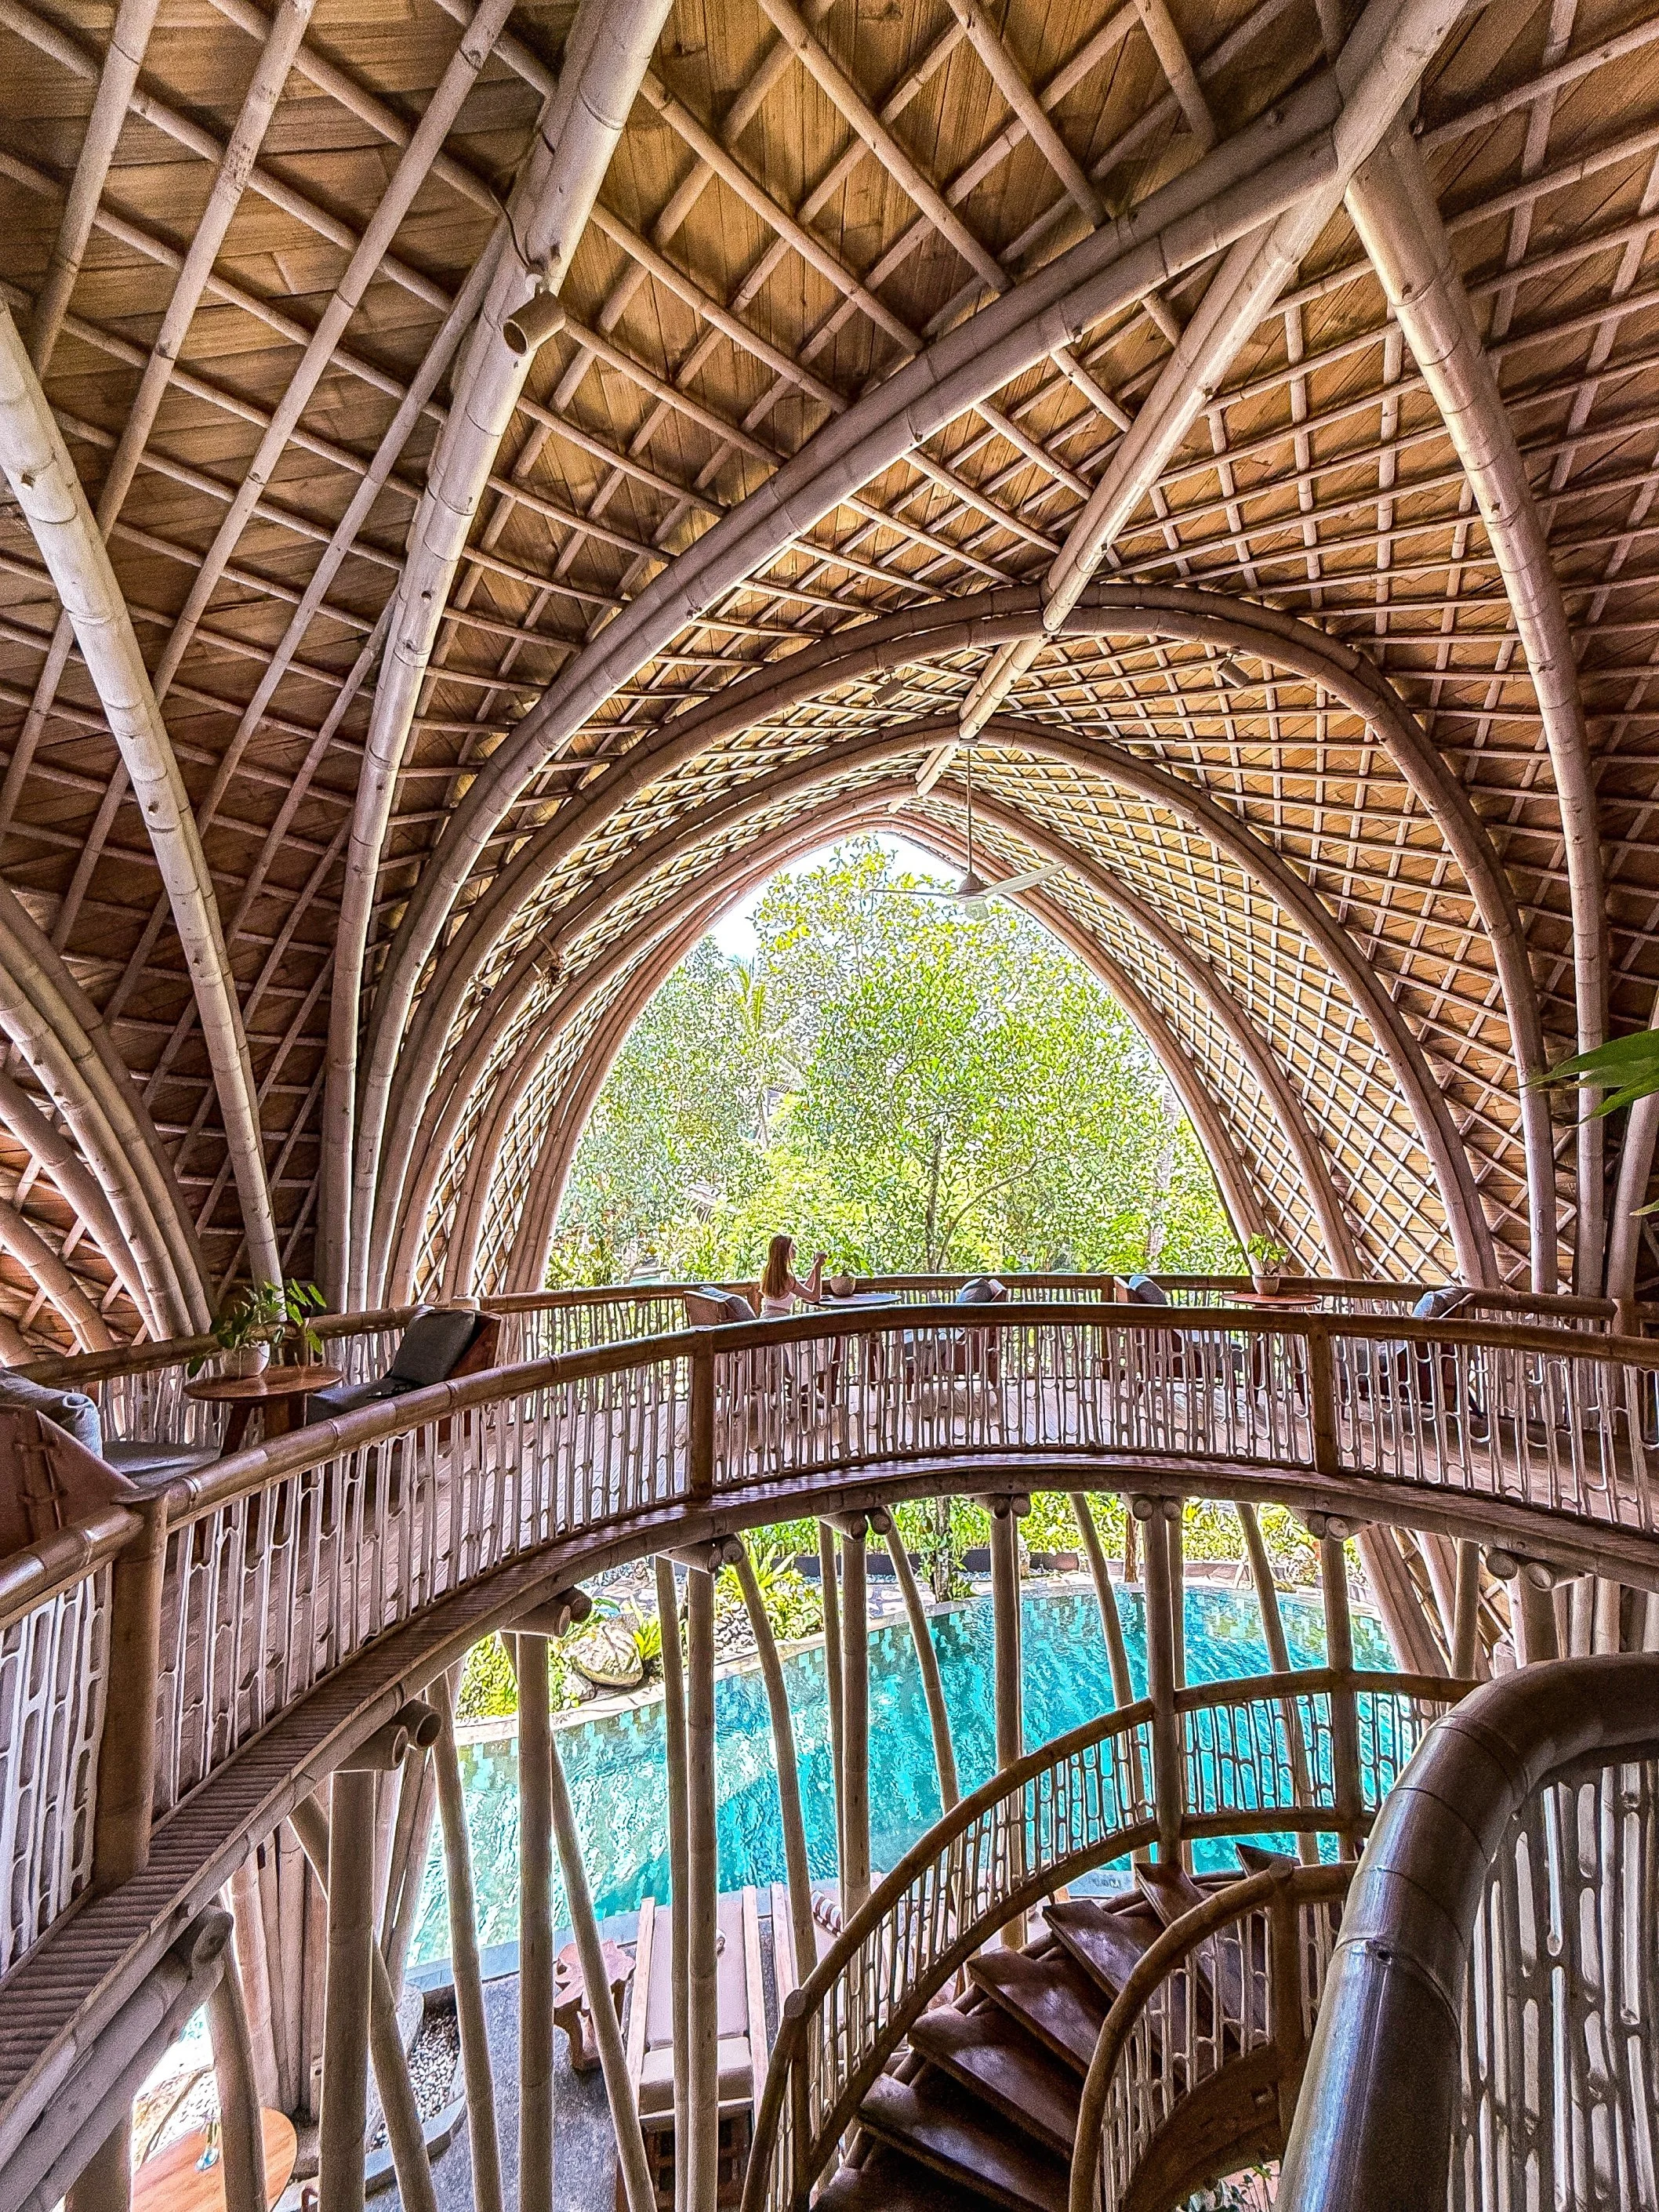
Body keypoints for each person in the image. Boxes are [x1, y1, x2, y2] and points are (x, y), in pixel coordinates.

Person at [758, 1233, 826, 1318]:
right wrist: (818, 1267)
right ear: (785, 1252)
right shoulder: (786, 1278)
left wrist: (815, 1267)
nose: (796, 1249)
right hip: (779, 1321)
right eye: (793, 1247)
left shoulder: (769, 1274)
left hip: (766, 1318)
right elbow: (815, 1297)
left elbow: (804, 1291)